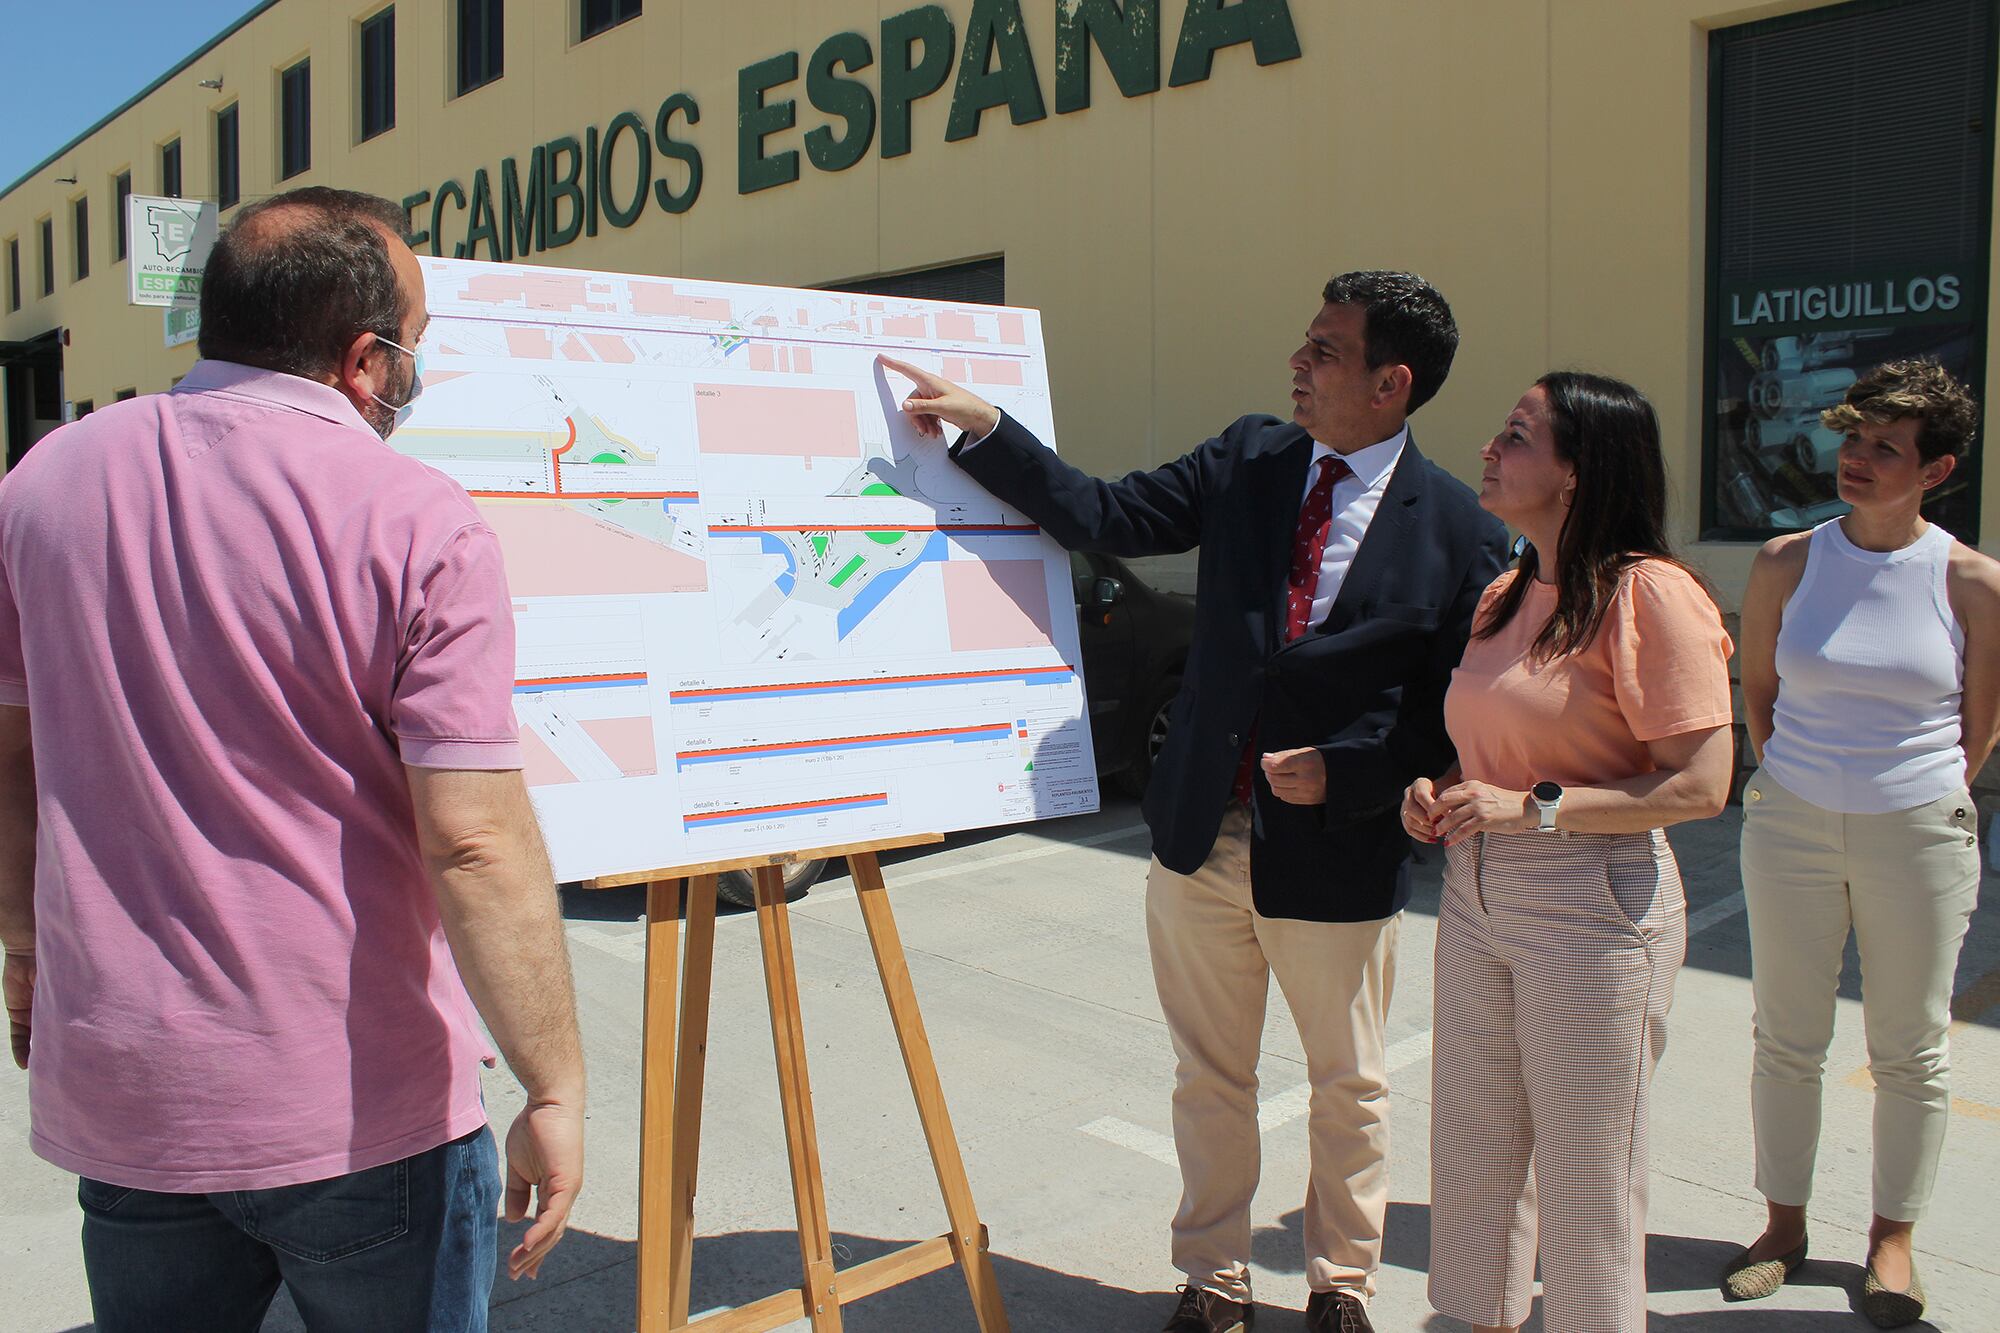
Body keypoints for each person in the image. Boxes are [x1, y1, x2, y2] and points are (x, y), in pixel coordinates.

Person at [0, 186, 585, 1332]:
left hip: (126, 1089)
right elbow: (472, 839)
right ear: (367, 359)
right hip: (360, 1110)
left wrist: (24, 951)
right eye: (411, 349)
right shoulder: (420, 519)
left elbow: (12, 759)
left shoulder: (41, 483)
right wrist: (551, 1081)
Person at [883, 269, 1509, 1333]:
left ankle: (1338, 1287)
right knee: (1207, 1078)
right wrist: (991, 434)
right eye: (1303, 341)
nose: (1296, 363)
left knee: (1347, 1088)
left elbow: (1445, 715)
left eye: (1323, 349)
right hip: (1197, 835)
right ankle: (1212, 1279)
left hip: (1333, 852)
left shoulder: (1459, 530)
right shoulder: (1250, 458)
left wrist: (1349, 774)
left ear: (1389, 384)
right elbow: (1109, 512)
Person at [1404, 372, 1734, 1333]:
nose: (1488, 451)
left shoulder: (1651, 595)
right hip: (1476, 885)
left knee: (1590, 1173)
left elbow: (1700, 785)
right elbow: (1489, 742)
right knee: (1474, 1151)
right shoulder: (1509, 591)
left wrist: (1531, 809)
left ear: (1578, 473)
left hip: (1590, 900)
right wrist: (1437, 796)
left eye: (1516, 436)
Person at [1721, 359, 1999, 1329]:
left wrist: (1916, 800)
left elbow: (1980, 723)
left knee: (1909, 1048)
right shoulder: (1783, 562)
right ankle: (1780, 1224)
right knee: (1783, 1034)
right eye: (1852, 439)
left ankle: (1890, 1237)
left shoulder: (1969, 580)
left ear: (1937, 468)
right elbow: (1756, 693)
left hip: (1917, 830)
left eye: (1885, 446)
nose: (1856, 458)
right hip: (1790, 817)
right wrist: (1793, 782)